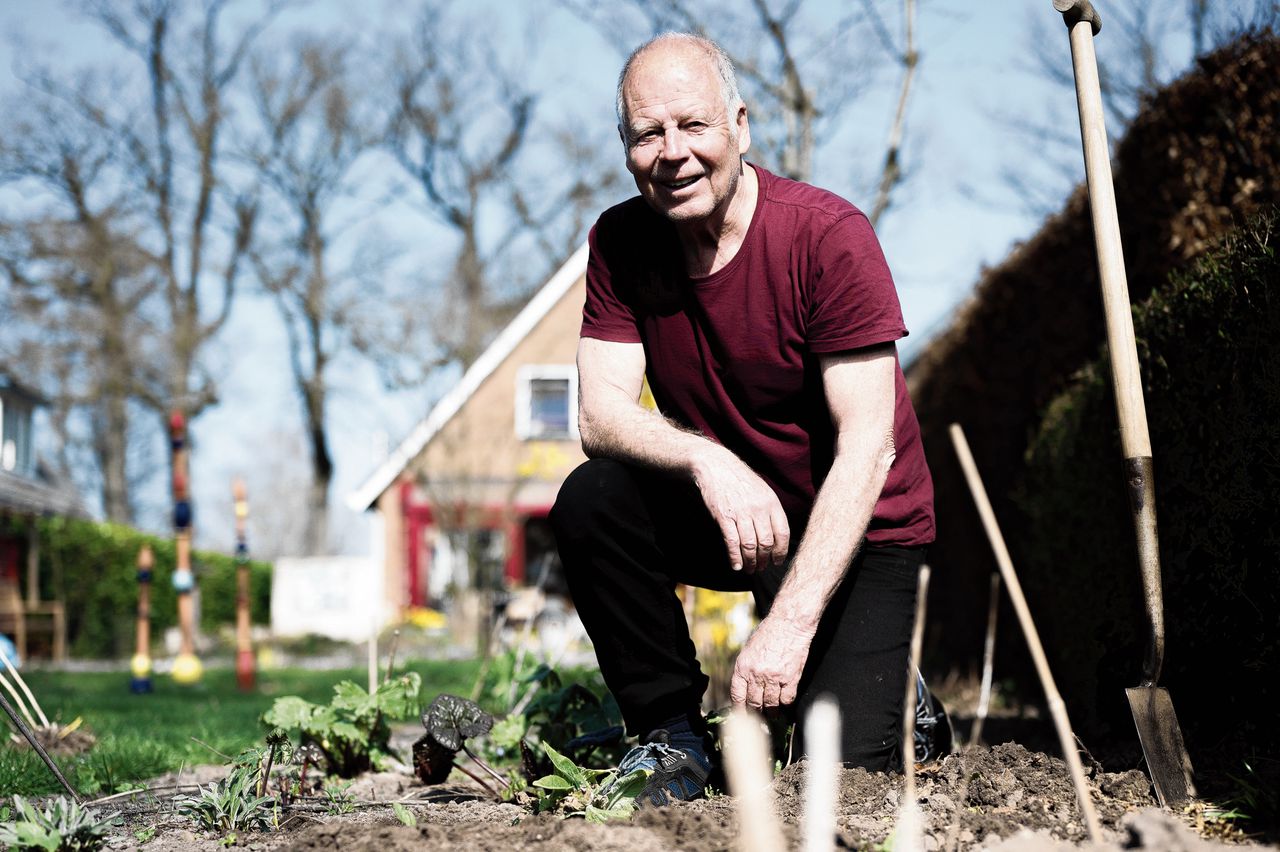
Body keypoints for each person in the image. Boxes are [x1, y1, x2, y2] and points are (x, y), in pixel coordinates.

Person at [549, 32, 937, 806]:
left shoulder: (827, 237)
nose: (673, 152)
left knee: (833, 782)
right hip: (739, 517)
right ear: (625, 147)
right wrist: (708, 461)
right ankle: (667, 736)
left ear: (740, 126)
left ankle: (905, 702)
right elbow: (599, 414)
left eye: (693, 125)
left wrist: (789, 626)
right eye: (647, 133)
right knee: (594, 497)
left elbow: (869, 449)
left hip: (860, 527)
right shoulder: (621, 242)